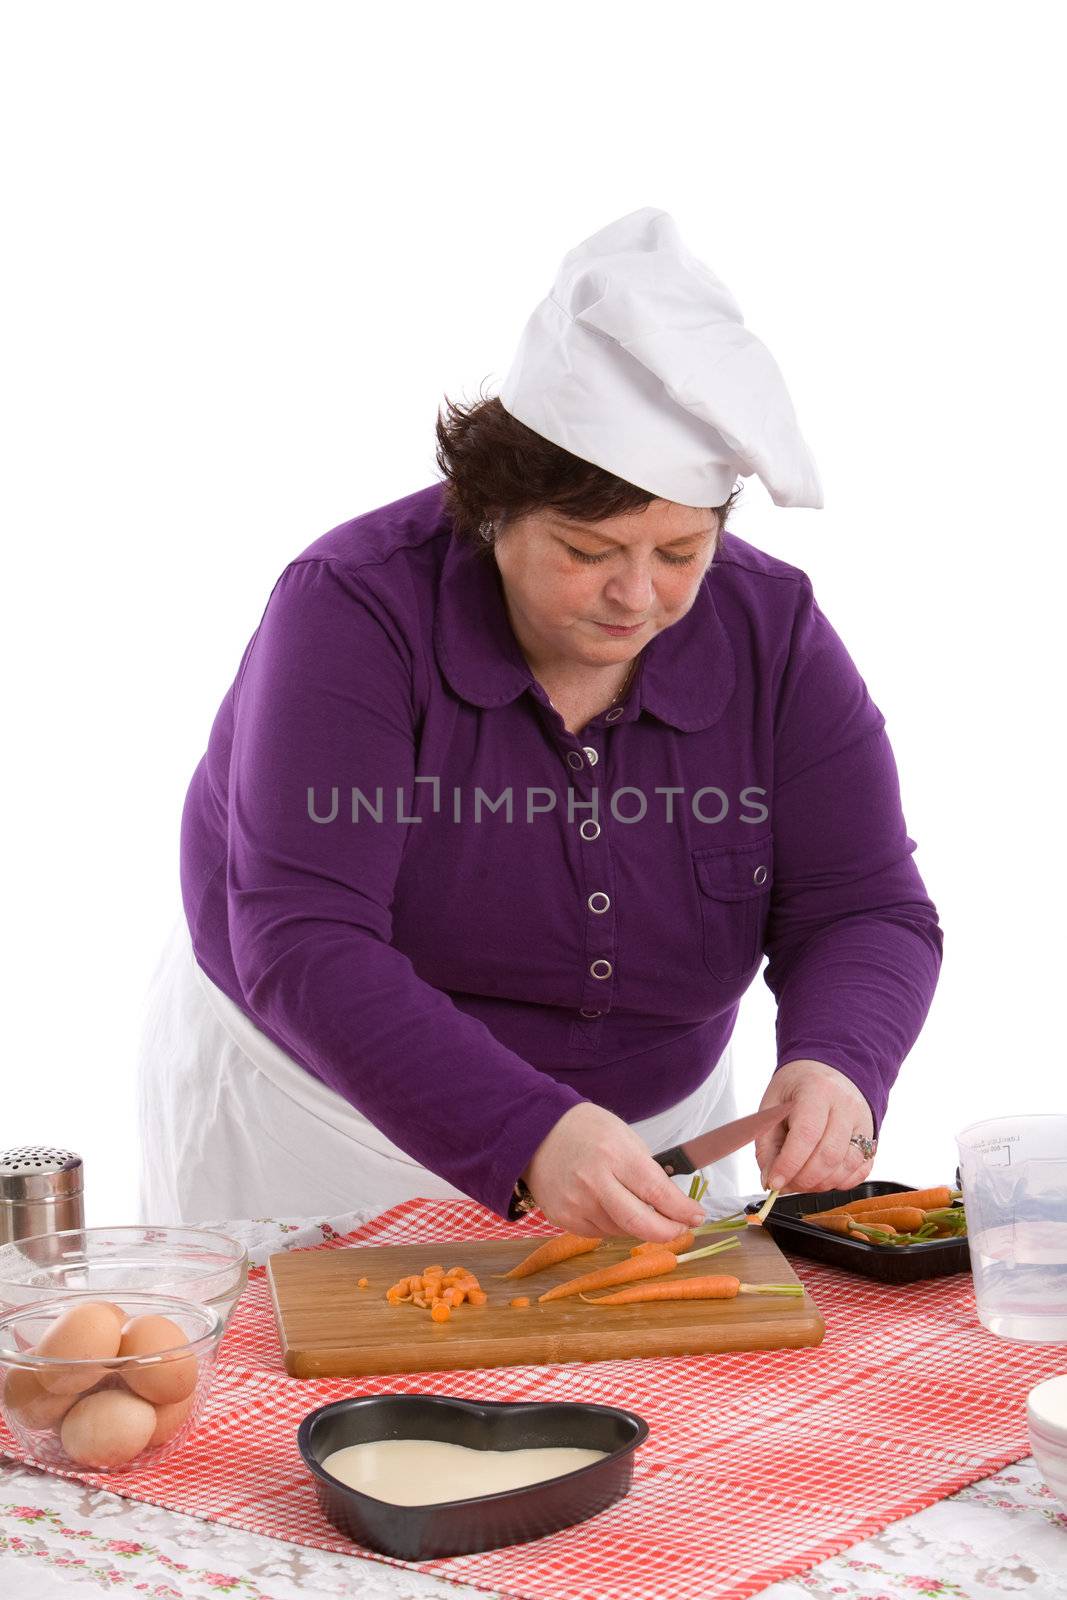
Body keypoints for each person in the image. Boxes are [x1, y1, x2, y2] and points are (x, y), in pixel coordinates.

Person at [136, 207, 943, 1239]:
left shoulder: (771, 630)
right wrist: (526, 1128)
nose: (637, 597)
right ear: (486, 506)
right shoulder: (348, 608)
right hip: (328, 1121)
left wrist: (839, 1057)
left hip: (657, 1130)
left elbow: (863, 903)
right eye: (587, 548)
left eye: (681, 551)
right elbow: (304, 936)